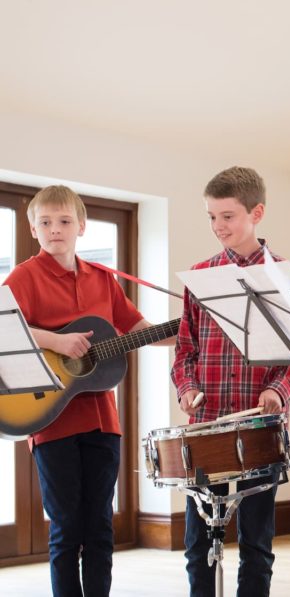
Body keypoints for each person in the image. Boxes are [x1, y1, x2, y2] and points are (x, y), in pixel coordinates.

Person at [3, 185, 174, 597]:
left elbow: (138, 329)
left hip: (102, 421)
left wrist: (187, 331)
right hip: (50, 422)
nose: (55, 230)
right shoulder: (24, 277)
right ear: (33, 228)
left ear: (81, 226)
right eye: (45, 222)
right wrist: (57, 342)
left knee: (99, 526)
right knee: (66, 527)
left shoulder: (103, 278)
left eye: (64, 221)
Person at [171, 166, 290, 597]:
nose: (218, 226)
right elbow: (184, 351)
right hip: (206, 428)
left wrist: (277, 390)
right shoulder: (199, 276)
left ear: (256, 213)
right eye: (212, 217)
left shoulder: (285, 276)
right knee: (197, 544)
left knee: (257, 545)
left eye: (227, 216)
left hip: (260, 428)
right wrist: (187, 387)